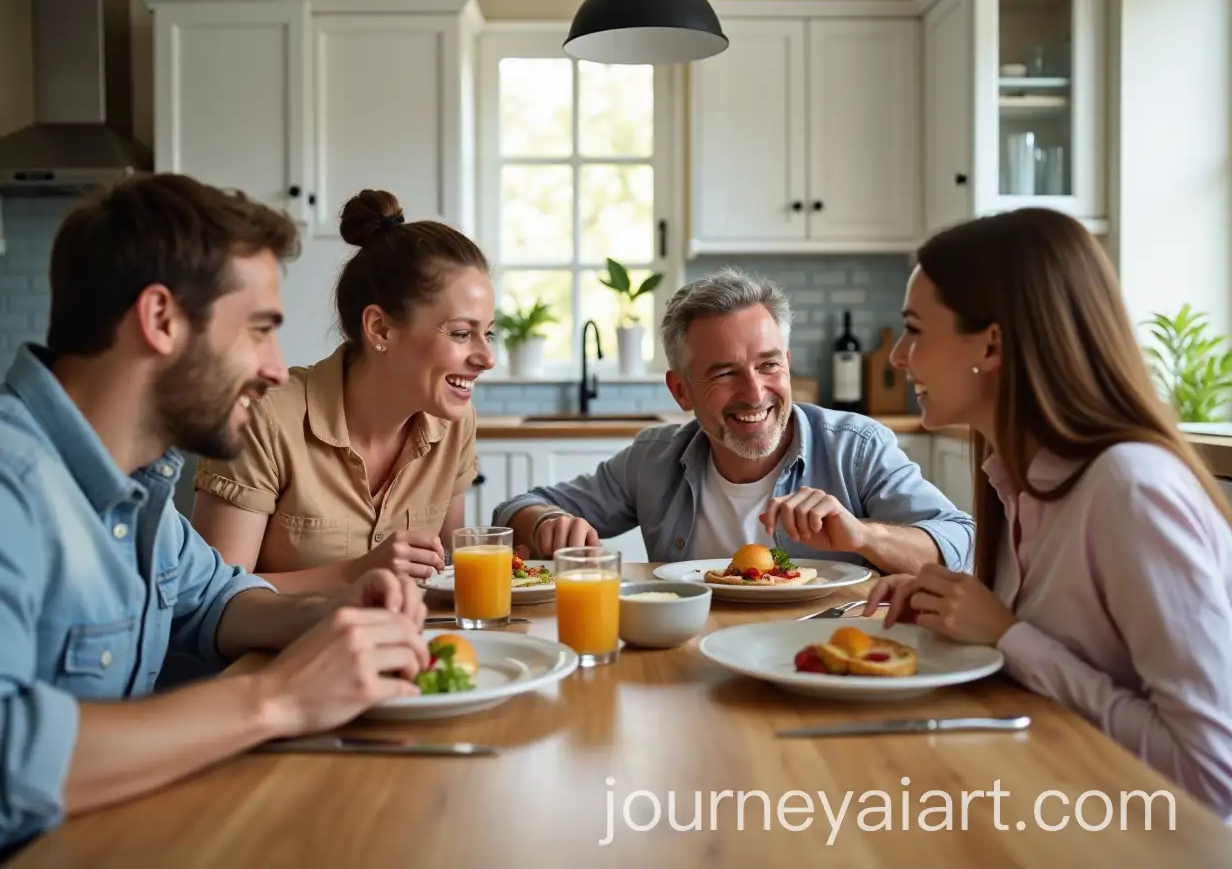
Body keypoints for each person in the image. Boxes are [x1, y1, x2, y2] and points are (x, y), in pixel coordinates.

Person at [0, 172, 433, 854]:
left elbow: (213, 600)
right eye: (258, 331)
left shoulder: (133, 481)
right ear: (161, 319)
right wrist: (278, 700)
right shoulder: (12, 486)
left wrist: (336, 614)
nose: (274, 367)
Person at [865, 207, 1232, 820]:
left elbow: (1212, 774)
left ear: (992, 343)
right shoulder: (1013, 481)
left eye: (914, 330)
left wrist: (1009, 637)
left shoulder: (1130, 489)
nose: (899, 358)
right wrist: (953, 614)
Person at [493, 268, 973, 574]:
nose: (755, 392)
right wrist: (547, 522)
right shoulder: (653, 459)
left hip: (820, 657)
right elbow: (514, 509)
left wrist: (865, 535)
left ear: (786, 362)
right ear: (680, 389)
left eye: (768, 365)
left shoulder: (856, 447)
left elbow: (960, 540)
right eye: (724, 373)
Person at [190, 189, 495, 595]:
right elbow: (208, 600)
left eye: (488, 333)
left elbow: (448, 576)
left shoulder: (455, 423)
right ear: (380, 329)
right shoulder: (264, 418)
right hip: (279, 658)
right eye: (461, 333)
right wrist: (354, 573)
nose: (487, 357)